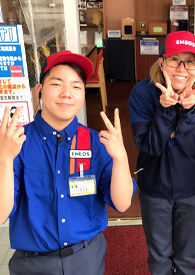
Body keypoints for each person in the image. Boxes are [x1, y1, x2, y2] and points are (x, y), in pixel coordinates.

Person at [0, 51, 137, 275]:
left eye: (76, 87)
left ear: (83, 94)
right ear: (40, 91)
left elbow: (122, 204)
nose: (67, 94)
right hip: (33, 264)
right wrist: (4, 159)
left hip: (87, 258)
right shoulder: (16, 143)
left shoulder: (96, 142)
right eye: (57, 84)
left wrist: (121, 158)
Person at [128, 31, 195, 274]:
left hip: (193, 191)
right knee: (158, 257)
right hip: (154, 190)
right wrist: (165, 109)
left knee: (187, 257)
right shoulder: (142, 93)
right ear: (161, 62)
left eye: (190, 61)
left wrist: (190, 112)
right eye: (174, 59)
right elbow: (150, 146)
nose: (182, 68)